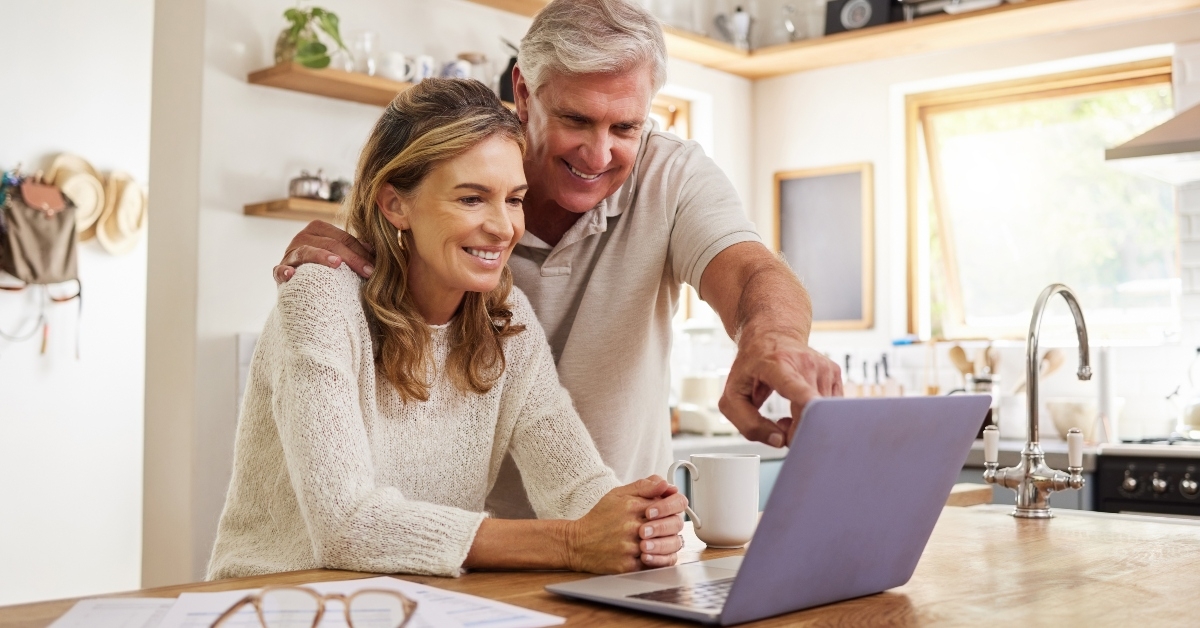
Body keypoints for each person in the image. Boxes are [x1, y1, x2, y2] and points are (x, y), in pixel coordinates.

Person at [273, 0, 842, 518]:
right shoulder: (458, 180)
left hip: (604, 532)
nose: (599, 154)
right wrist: (346, 256)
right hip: (449, 546)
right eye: (575, 119)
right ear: (523, 92)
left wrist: (773, 338)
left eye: (626, 127)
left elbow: (749, 271)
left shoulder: (672, 177)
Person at [207, 79, 687, 580]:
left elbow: (577, 489)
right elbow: (346, 525)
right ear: (395, 204)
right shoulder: (322, 298)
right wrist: (571, 542)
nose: (503, 228)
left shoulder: (507, 320)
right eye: (472, 198)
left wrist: (638, 520)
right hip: (276, 603)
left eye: (514, 199)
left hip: (417, 604)